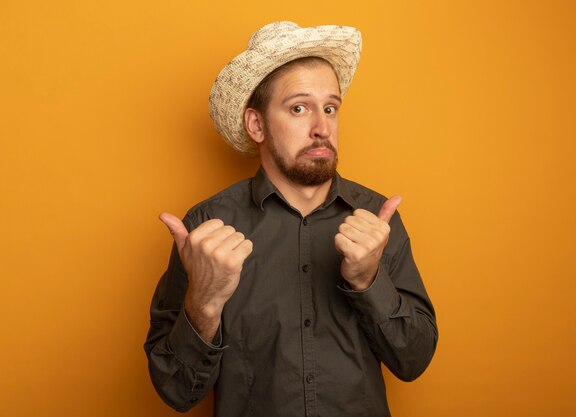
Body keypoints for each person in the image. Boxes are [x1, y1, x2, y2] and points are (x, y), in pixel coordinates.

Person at [144, 21, 438, 417]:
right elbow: (176, 392)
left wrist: (369, 281)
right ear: (257, 124)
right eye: (299, 108)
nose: (321, 128)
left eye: (330, 108)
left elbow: (414, 362)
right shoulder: (207, 228)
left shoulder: (377, 221)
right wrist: (204, 304)